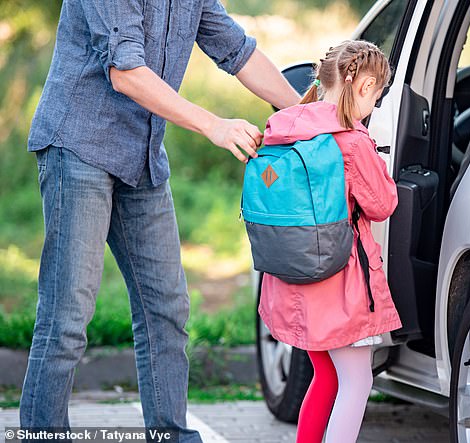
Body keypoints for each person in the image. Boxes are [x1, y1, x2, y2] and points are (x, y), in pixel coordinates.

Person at [20, 0, 299, 441]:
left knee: (167, 311)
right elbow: (125, 72)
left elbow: (238, 52)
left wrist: (309, 114)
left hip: (142, 158)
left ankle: (171, 435)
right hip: (79, 146)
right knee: (67, 316)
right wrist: (214, 125)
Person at [258, 40, 402, 443]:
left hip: (293, 278)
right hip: (340, 287)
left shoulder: (283, 131)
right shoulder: (353, 143)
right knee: (356, 382)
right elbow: (382, 204)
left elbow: (273, 189)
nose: (374, 106)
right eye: (377, 95)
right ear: (363, 85)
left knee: (325, 376)